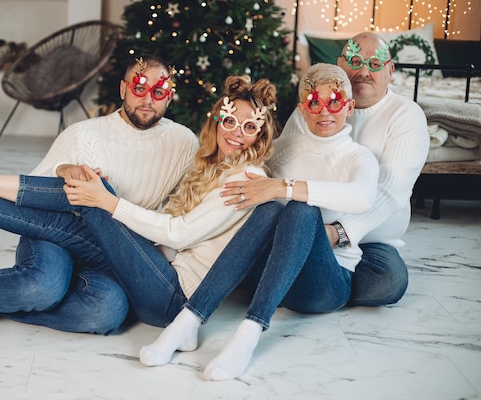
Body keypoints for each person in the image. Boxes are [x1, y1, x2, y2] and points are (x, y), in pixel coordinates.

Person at [0, 74, 277, 333]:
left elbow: (179, 231)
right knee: (74, 289)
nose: (237, 134)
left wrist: (108, 204)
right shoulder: (91, 131)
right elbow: (44, 184)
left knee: (104, 294)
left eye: (249, 126)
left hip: (151, 272)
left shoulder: (216, 163)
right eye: (230, 121)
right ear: (124, 87)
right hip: (81, 235)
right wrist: (70, 170)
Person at [139, 63, 380, 381]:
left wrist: (283, 187)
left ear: (348, 107)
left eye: (334, 102)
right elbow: (239, 181)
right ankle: (189, 321)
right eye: (314, 102)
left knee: (300, 208)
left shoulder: (359, 158)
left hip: (324, 284)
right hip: (269, 275)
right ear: (302, 109)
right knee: (266, 209)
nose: (325, 111)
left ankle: (248, 334)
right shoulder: (283, 149)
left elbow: (362, 198)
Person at [281, 32, 430, 306]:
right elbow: (282, 159)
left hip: (371, 241)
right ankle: (318, 284)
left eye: (375, 64)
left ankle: (305, 284)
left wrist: (338, 232)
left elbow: (389, 191)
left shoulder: (407, 115)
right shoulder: (315, 107)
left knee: (387, 282)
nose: (363, 71)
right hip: (307, 227)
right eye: (354, 60)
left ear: (390, 70)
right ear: (340, 64)